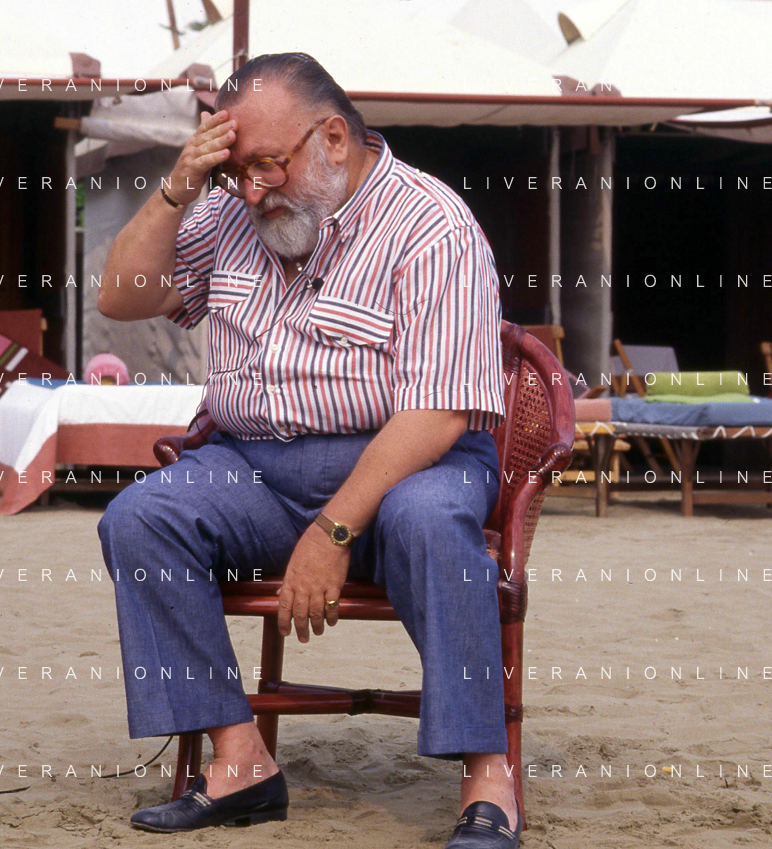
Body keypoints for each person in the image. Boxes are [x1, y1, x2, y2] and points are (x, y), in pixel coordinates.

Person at [97, 53, 519, 849]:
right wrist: (179, 187)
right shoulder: (229, 212)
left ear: (332, 137)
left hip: (408, 462)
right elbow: (120, 297)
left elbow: (436, 413)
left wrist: (331, 530)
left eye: (266, 164)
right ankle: (241, 760)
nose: (253, 190)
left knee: (433, 522)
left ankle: (486, 774)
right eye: (235, 171)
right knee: (140, 519)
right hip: (253, 466)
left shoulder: (431, 223)